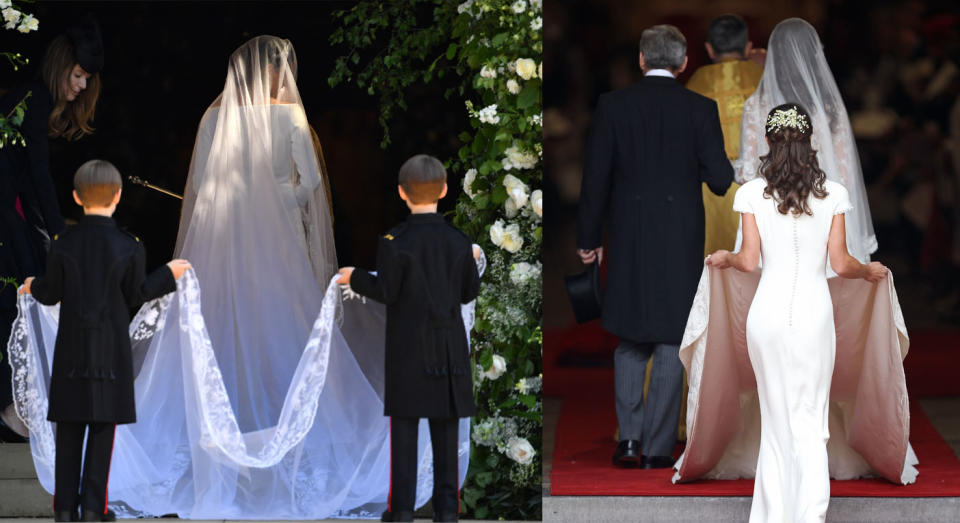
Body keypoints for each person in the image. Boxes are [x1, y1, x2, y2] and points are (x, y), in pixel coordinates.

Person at [705, 104, 888, 521]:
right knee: (810, 420)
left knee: (776, 420)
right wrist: (868, 270)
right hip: (812, 316)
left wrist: (725, 258)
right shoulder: (833, 194)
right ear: (811, 143)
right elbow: (842, 265)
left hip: (765, 316)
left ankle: (771, 516)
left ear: (768, 141)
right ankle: (809, 514)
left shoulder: (751, 193)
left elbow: (748, 261)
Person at [576, 24, 733, 469]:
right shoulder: (700, 108)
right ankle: (659, 448)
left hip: (627, 234)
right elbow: (720, 180)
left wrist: (588, 241)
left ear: (641, 60)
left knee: (629, 336)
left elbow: (595, 180)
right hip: (680, 236)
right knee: (669, 337)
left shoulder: (613, 106)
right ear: (684, 64)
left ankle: (628, 441)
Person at [18, 159, 190, 522]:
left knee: (68, 434)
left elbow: (50, 294)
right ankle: (94, 509)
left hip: (71, 358)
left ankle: (65, 510)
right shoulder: (129, 245)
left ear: (77, 197)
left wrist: (33, 284)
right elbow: (138, 293)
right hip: (110, 358)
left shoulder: (64, 243)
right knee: (101, 436)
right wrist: (169, 274)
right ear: (118, 196)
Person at [337, 155, 481, 523]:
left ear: (402, 193)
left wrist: (354, 276)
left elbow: (386, 290)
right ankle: (448, 511)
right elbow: (467, 292)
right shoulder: (459, 241)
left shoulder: (393, 241)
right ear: (445, 190)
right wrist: (471, 258)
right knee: (446, 434)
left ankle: (401, 511)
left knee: (404, 434)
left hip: (408, 353)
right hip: (448, 352)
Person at [0, 15, 104, 443]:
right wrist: (59, 235)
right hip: (9, 220)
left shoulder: (32, 98)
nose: (81, 86)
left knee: (21, 307)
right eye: (78, 75)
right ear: (63, 64)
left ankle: (17, 409)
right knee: (19, 308)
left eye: (86, 78)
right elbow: (38, 175)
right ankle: (13, 411)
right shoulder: (35, 98)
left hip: (13, 217)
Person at [736, 18, 877, 265]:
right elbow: (844, 175)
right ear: (815, 56)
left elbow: (748, 174)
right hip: (823, 214)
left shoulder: (755, 107)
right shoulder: (830, 110)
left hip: (771, 218)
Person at [686, 14, 765, 256]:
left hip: (710, 193)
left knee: (717, 270)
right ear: (748, 46)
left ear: (709, 49)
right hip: (761, 188)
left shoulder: (694, 86)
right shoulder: (765, 79)